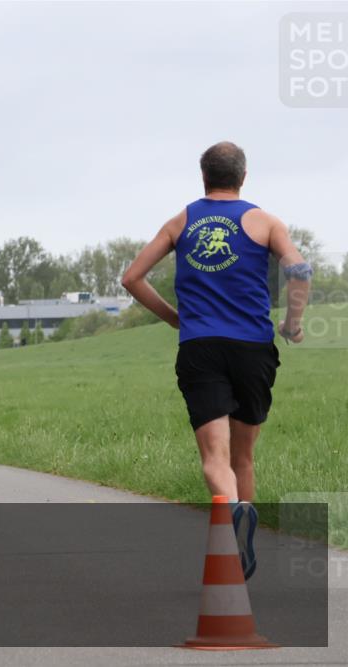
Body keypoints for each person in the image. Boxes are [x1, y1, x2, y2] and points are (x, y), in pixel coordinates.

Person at [121, 141, 311, 581]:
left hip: (201, 347)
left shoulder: (182, 220)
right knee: (243, 457)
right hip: (253, 349)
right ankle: (244, 525)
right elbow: (299, 270)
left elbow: (131, 277)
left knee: (215, 456)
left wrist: (175, 319)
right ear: (243, 177)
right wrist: (292, 324)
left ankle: (230, 524)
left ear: (203, 177)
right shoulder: (265, 221)